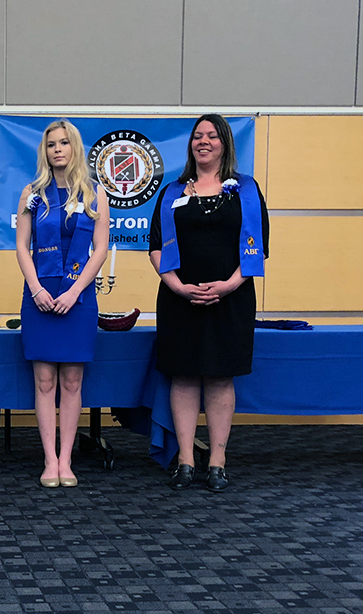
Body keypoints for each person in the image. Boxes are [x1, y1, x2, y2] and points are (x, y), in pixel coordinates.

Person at [148, 114, 269, 493]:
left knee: (219, 376)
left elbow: (257, 250)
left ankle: (217, 460)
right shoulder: (172, 193)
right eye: (198, 136)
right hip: (180, 300)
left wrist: (228, 286)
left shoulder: (246, 190)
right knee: (183, 375)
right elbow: (154, 248)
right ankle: (185, 459)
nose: (204, 141)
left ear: (225, 143)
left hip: (230, 300)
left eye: (212, 136)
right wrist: (179, 287)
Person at [15, 120, 110, 489]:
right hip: (40, 293)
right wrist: (37, 288)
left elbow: (100, 249)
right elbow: (22, 245)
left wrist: (74, 292)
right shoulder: (31, 193)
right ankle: (49, 460)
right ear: (45, 150)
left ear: (75, 148)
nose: (57, 149)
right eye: (51, 144)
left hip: (78, 295)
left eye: (64, 143)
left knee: (72, 380)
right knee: (44, 379)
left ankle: (67, 460)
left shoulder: (94, 194)